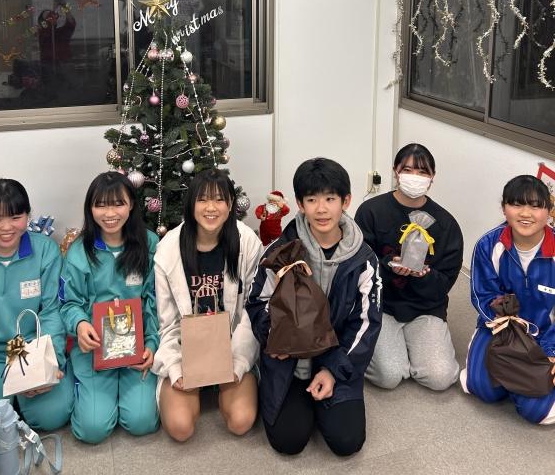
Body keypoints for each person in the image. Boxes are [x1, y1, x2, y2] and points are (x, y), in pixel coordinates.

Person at [247, 157, 381, 457]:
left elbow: (367, 323)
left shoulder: (363, 259)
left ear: (346, 201)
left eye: (330, 199)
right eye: (312, 200)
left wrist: (333, 371)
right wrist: (275, 337)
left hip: (336, 355)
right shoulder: (280, 251)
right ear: (299, 204)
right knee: (289, 441)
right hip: (290, 358)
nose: (321, 209)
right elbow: (257, 302)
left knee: (347, 442)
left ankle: (328, 396)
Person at [0, 178, 73, 447]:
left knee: (54, 415)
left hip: (32, 349)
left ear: (27, 216)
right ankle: (7, 399)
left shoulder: (46, 252)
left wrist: (50, 361)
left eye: (16, 217)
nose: (7, 228)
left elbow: (52, 311)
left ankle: (16, 401)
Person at [152, 169, 262, 441]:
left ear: (230, 204)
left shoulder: (247, 242)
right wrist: (175, 368)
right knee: (180, 428)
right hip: (185, 350)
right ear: (191, 204)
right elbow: (166, 321)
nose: (211, 208)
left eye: (219, 199)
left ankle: (227, 385)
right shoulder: (169, 248)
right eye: (202, 200)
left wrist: (238, 363)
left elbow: (253, 311)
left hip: (232, 345)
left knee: (241, 421)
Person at [60, 171, 159, 443]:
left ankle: (126, 396)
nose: (110, 213)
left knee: (141, 422)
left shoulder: (150, 244)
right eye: (101, 205)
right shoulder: (79, 251)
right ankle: (89, 392)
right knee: (92, 430)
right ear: (90, 208)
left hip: (137, 348)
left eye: (118, 203)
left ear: (132, 205)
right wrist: (80, 324)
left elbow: (155, 300)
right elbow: (69, 302)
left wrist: (152, 343)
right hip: (94, 349)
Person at [355, 143, 462, 391]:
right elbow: (358, 265)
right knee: (388, 376)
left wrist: (425, 275)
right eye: (408, 170)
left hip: (425, 307)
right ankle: (382, 343)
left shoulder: (445, 223)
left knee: (440, 377)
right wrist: (388, 267)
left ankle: (410, 345)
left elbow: (445, 282)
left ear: (432, 177)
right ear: (395, 171)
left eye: (423, 172)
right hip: (381, 304)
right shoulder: (371, 211)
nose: (415, 177)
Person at [460, 174, 555, 424]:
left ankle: (523, 378)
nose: (525, 213)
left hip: (547, 334)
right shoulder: (488, 245)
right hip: (501, 329)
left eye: (535, 206)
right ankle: (505, 372)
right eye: (516, 204)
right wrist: (509, 331)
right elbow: (483, 295)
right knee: (483, 389)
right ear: (504, 208)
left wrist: (552, 350)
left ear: (549, 211)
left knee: (538, 412)